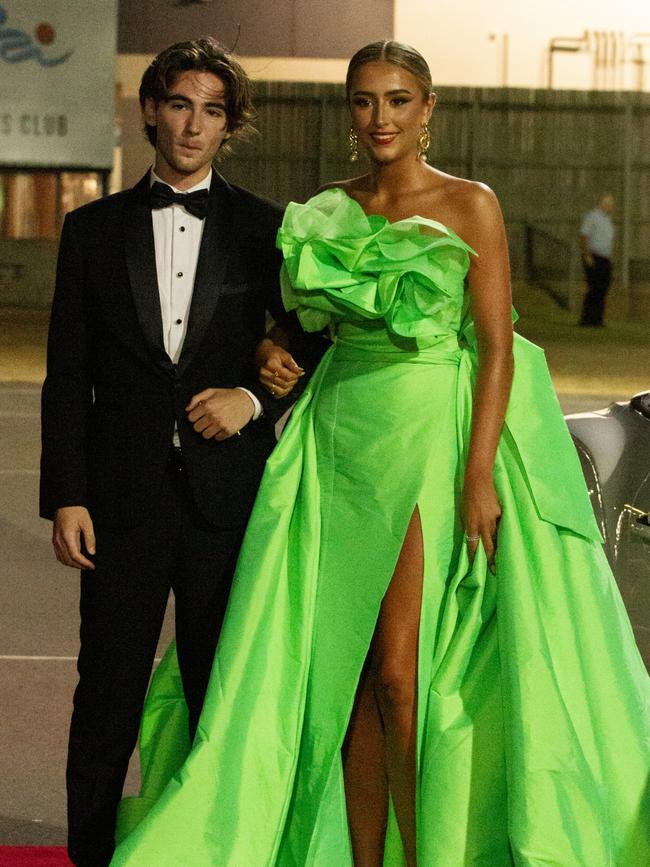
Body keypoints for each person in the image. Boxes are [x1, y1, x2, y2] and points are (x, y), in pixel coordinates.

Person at [110, 42, 649, 866]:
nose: (380, 118)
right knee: (350, 675)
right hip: (336, 444)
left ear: (428, 108)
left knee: (400, 675)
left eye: (398, 100)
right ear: (350, 113)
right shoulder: (329, 207)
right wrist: (267, 353)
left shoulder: (472, 205)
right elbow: (297, 330)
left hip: (429, 438)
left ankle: (420, 852)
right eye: (364, 102)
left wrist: (477, 474)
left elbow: (498, 348)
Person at [40, 38, 313, 867]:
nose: (194, 126)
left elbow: (313, 331)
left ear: (231, 125)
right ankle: (89, 853)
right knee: (108, 700)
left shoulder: (267, 228)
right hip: (119, 507)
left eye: (214, 110)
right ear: (152, 109)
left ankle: (212, 850)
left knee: (216, 696)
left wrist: (256, 396)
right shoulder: (90, 230)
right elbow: (67, 375)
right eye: (181, 104)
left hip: (224, 506)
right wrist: (68, 497)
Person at [578, 192, 615, 326]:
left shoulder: (607, 219)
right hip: (594, 256)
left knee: (603, 289)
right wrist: (586, 255)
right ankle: (587, 319)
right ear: (603, 203)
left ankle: (597, 319)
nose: (611, 207)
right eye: (609, 204)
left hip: (605, 258)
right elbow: (583, 236)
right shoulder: (592, 217)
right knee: (594, 288)